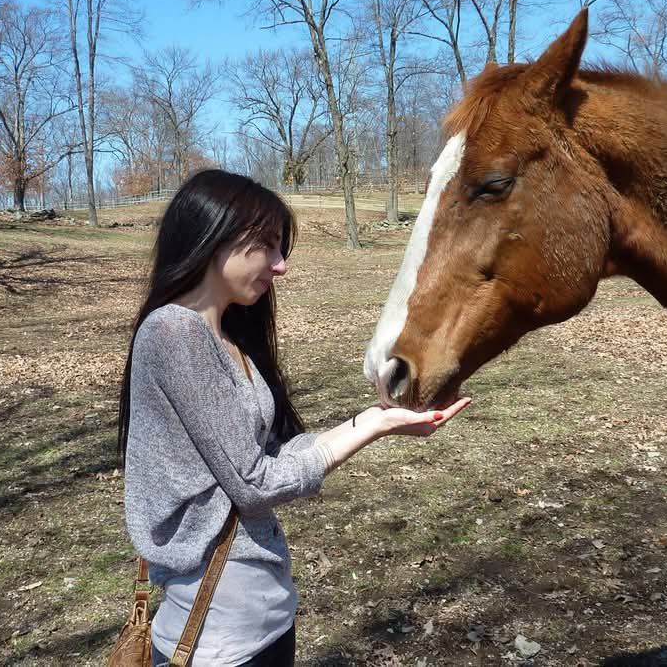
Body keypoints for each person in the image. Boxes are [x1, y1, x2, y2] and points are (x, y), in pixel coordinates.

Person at [118, 169, 470, 667]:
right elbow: (254, 483)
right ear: (213, 236)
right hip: (218, 635)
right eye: (267, 245)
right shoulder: (172, 333)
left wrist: (379, 419)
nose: (281, 266)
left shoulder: (228, 339)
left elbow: (273, 455)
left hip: (265, 618)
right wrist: (371, 427)